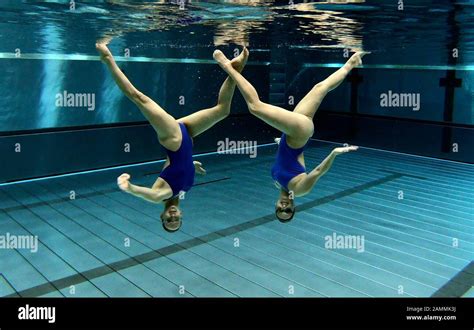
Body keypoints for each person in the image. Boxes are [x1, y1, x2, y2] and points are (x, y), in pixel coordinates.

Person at [96, 38, 248, 232]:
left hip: (174, 137)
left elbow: (151, 195)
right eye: (177, 220)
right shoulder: (184, 189)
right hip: (188, 132)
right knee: (222, 110)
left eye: (169, 220)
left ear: (162, 215)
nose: (173, 216)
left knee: (139, 98)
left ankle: (107, 57)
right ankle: (233, 68)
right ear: (182, 215)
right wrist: (192, 166)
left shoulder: (164, 193)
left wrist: (129, 187)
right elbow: (174, 168)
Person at [213, 48, 367, 222]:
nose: (284, 206)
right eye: (288, 210)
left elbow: (293, 157)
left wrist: (282, 143)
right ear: (294, 207)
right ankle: (229, 66)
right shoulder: (300, 190)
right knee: (255, 107)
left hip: (296, 133)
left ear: (276, 205)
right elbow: (317, 172)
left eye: (280, 209)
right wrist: (334, 153)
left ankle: (352, 62)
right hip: (298, 132)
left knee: (320, 88)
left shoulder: (279, 183)